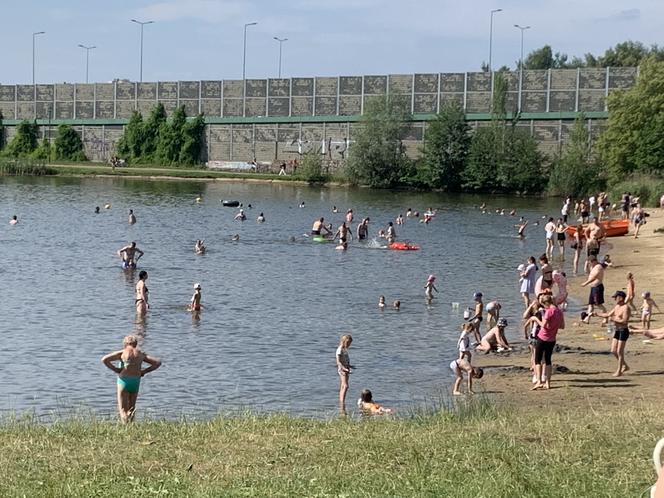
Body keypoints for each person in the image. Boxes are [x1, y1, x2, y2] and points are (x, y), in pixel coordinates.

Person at [101, 335, 161, 423]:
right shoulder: (140, 354)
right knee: (131, 409)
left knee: (122, 410)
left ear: (125, 344)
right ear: (135, 344)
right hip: (136, 381)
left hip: (124, 381)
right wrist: (144, 371)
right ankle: (131, 426)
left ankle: (125, 429)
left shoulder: (122, 352)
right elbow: (157, 362)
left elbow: (104, 359)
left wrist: (116, 370)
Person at [527, 294, 564, 390]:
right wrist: (553, 326)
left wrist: (535, 319)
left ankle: (539, 381)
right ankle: (548, 383)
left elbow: (544, 325)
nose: (544, 307)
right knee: (548, 360)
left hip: (543, 337)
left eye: (544, 305)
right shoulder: (559, 311)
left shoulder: (549, 311)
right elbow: (562, 326)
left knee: (537, 360)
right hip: (552, 339)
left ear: (546, 303)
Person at [593, 291, 631, 377]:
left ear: (620, 297)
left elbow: (624, 321)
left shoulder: (626, 308)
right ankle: (625, 366)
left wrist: (613, 319)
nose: (614, 299)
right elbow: (608, 314)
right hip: (617, 330)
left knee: (619, 352)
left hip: (623, 331)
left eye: (615, 297)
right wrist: (597, 314)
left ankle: (619, 371)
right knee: (613, 350)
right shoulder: (617, 306)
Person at [581, 256, 606, 324]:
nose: (590, 264)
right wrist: (586, 265)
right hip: (593, 287)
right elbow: (588, 273)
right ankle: (587, 319)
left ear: (593, 261)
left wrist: (585, 283)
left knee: (598, 304)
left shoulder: (598, 267)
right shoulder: (593, 267)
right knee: (590, 305)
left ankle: (605, 317)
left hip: (597, 287)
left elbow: (594, 277)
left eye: (590, 262)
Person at [336, 334, 353, 411]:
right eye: (348, 343)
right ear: (344, 341)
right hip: (342, 369)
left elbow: (345, 359)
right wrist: (343, 368)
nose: (349, 345)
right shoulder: (339, 349)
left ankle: (342, 401)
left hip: (346, 368)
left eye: (350, 343)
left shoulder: (344, 350)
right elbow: (338, 361)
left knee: (343, 385)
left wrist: (349, 366)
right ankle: (342, 402)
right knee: (345, 386)